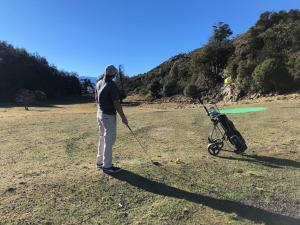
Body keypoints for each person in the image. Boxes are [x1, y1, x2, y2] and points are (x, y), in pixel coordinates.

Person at [95, 65, 128, 174]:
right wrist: (123, 117)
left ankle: (100, 162)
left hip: (100, 114)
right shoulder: (112, 85)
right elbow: (116, 103)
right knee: (108, 141)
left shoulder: (98, 83)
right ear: (114, 74)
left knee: (102, 138)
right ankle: (107, 166)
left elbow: (97, 100)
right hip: (108, 116)